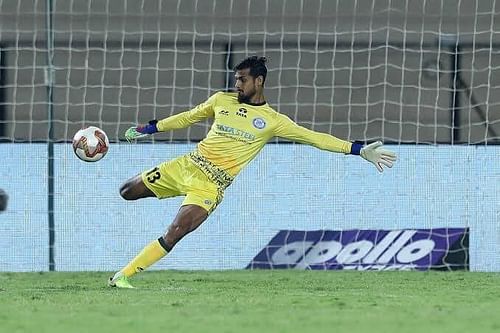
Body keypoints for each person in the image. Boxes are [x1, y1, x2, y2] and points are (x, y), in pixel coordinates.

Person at [108, 56, 397, 288]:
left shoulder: (272, 120)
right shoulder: (221, 100)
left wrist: (358, 149)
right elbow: (188, 117)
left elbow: (314, 137)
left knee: (176, 231)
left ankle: (122, 275)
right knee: (126, 192)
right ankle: (127, 266)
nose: (237, 85)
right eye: (235, 80)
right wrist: (151, 128)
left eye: (242, 80)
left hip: (211, 186)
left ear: (259, 81)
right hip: (187, 165)